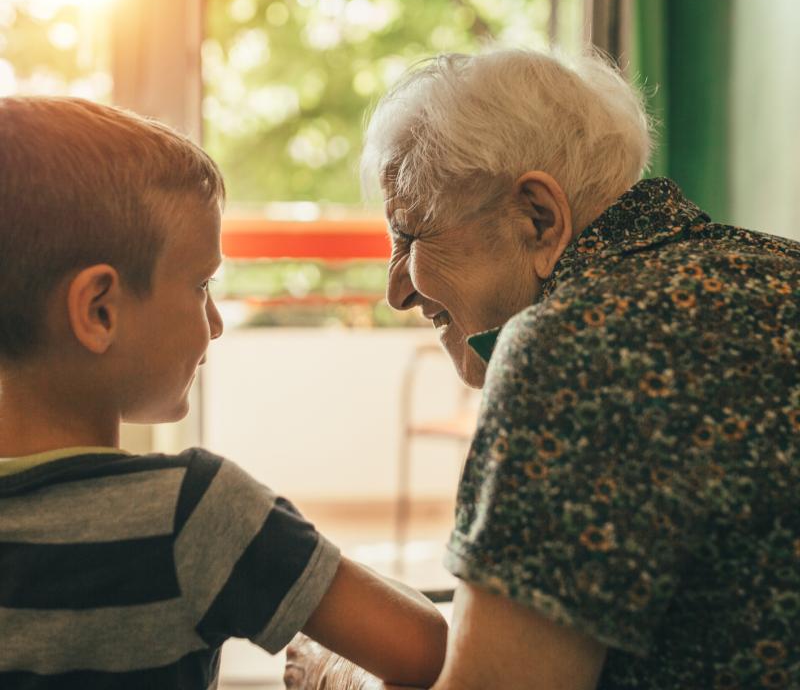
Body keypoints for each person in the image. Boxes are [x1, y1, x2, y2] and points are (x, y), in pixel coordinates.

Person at [296, 48, 800, 689]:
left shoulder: (573, 348)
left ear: (538, 218)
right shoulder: (780, 265)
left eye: (409, 237)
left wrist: (337, 675)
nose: (396, 291)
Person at [0, 96, 447, 689]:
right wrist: (325, 669)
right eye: (200, 285)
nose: (214, 322)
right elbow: (422, 649)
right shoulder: (195, 514)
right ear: (99, 310)